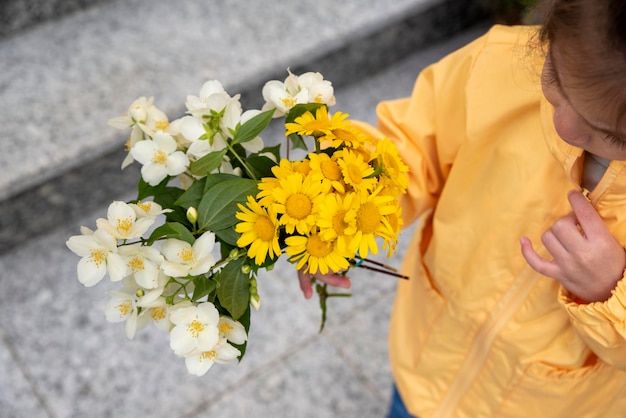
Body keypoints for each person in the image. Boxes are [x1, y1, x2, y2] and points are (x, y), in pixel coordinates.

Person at [297, 0, 626, 416]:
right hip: (430, 361)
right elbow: (410, 147)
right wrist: (343, 206)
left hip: (548, 405)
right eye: (555, 78)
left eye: (613, 137)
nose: (565, 126)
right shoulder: (497, 68)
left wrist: (611, 290)